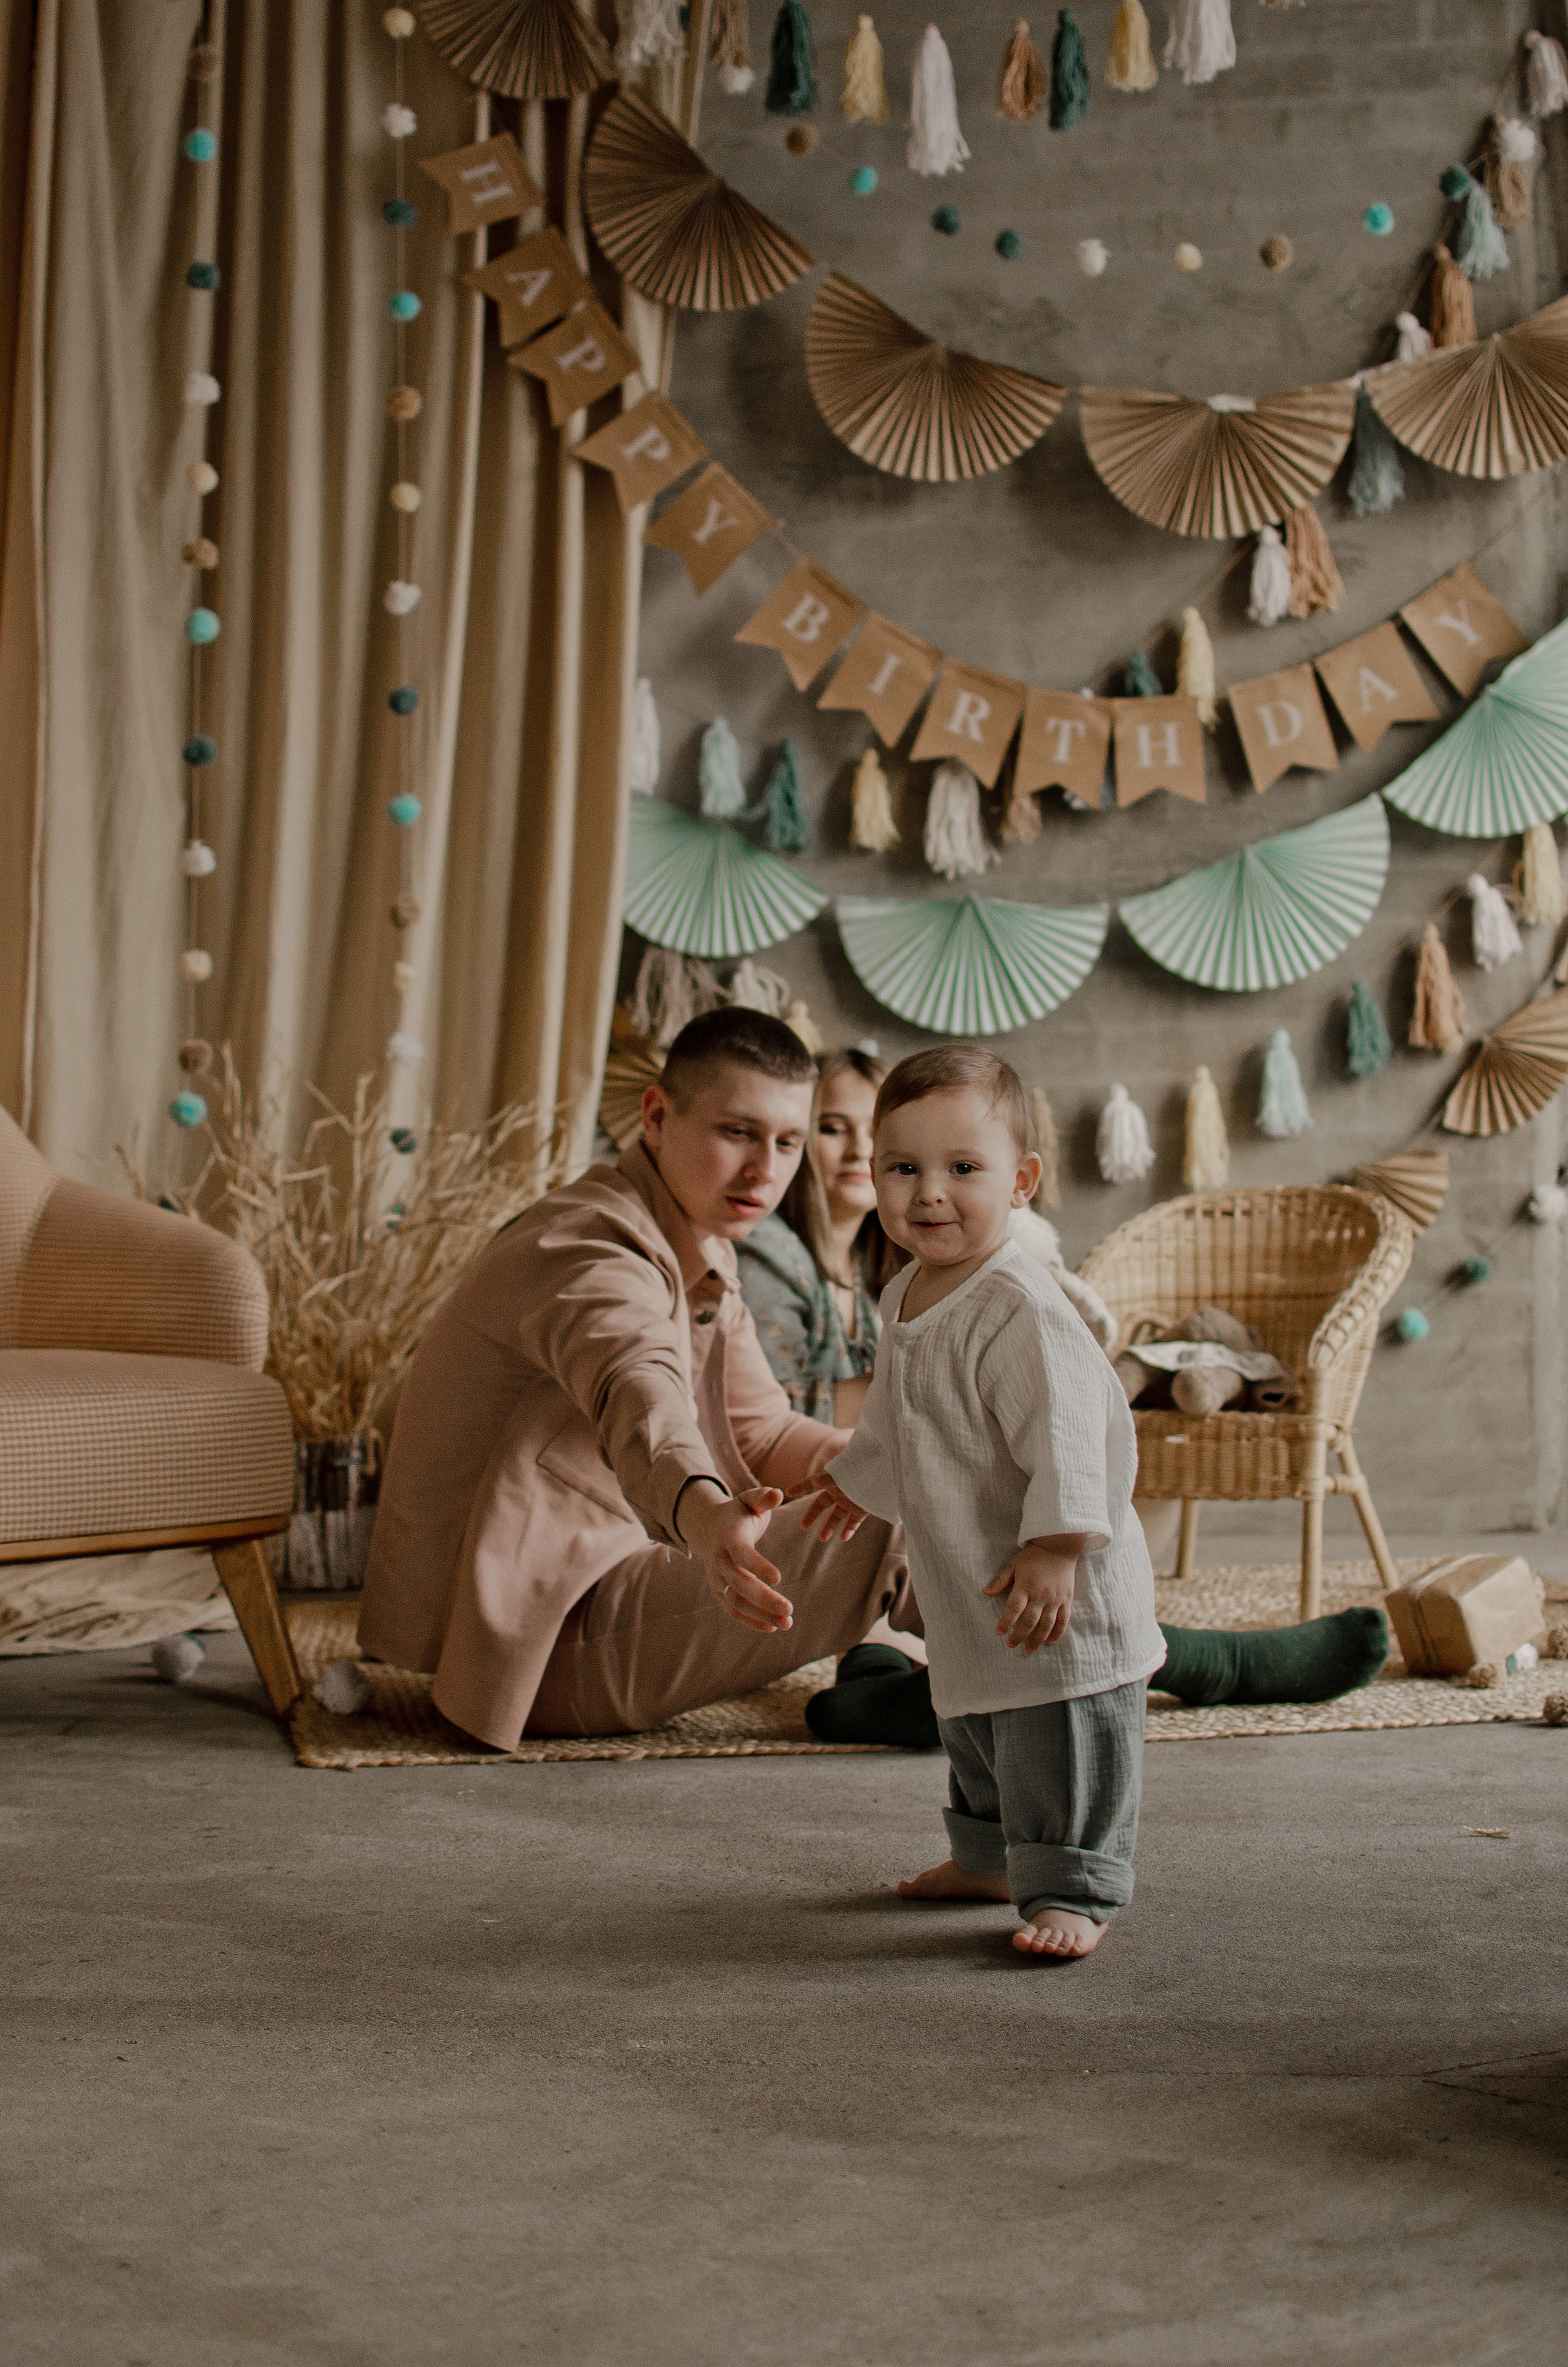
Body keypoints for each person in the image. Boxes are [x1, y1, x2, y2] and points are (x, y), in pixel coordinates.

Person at [356, 1007, 920, 1750]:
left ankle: (951, 1668)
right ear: (655, 1115)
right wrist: (705, 1513)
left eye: (786, 1142)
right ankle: (1039, 1669)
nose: (766, 1170)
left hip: (608, 1587)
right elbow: (638, 1389)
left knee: (916, 1478)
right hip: (543, 1640)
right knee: (892, 1524)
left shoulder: (698, 1245)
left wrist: (890, 1463)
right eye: (736, 1133)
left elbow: (765, 1429)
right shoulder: (589, 1245)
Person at [791, 1045, 1163, 1961]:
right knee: (980, 1724)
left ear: (1024, 1180)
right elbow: (896, 1418)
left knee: (1059, 1735)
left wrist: (1058, 1547)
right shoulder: (907, 1292)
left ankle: (1075, 1886)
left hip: (1055, 1581)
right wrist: (857, 1479)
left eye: (964, 1169)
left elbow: (1073, 1436)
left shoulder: (1020, 1307)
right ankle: (991, 1858)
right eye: (904, 1168)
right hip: (972, 1574)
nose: (929, 1194)